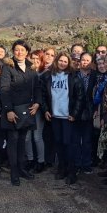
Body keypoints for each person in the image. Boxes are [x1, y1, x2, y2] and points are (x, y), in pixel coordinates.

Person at [0, 40, 41, 186]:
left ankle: (22, 169)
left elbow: (37, 88)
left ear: (27, 52)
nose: (19, 52)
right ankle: (14, 173)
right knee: (13, 141)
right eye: (17, 50)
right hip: (13, 111)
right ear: (13, 51)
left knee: (23, 140)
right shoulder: (7, 67)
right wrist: (8, 110)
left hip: (27, 110)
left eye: (22, 50)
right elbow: (4, 90)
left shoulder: (32, 67)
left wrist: (37, 103)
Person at [41, 52, 85, 185]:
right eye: (61, 60)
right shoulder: (48, 76)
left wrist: (75, 114)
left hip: (68, 117)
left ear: (69, 63)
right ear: (56, 61)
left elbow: (80, 97)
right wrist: (45, 110)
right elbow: (43, 95)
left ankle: (72, 171)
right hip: (55, 116)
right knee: (59, 144)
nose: (63, 63)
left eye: (65, 61)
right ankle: (61, 168)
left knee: (69, 144)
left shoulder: (73, 77)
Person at [74, 52, 95, 174]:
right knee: (75, 140)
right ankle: (76, 164)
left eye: (87, 60)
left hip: (89, 111)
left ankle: (86, 164)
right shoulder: (73, 75)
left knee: (87, 140)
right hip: (76, 111)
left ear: (91, 62)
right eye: (83, 60)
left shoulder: (95, 76)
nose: (85, 62)